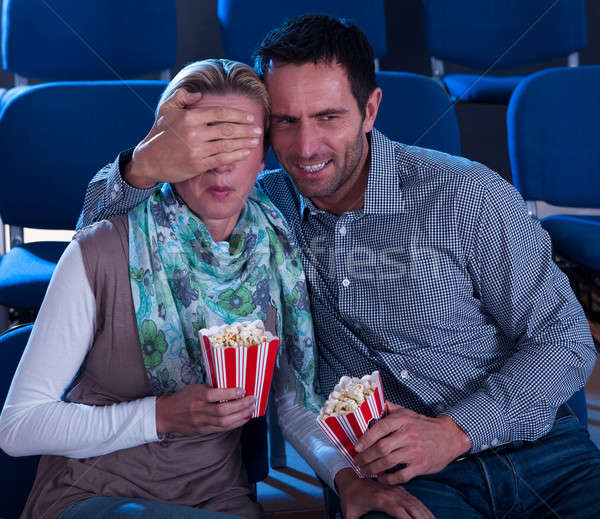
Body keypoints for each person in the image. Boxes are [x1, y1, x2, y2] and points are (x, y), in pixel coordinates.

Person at [76, 15, 600, 519]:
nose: (305, 148)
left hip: (539, 449)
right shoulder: (253, 210)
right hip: (394, 473)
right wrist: (143, 163)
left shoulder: (463, 195)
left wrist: (457, 430)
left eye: (328, 117)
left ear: (370, 110)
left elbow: (567, 338)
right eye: (285, 121)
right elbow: (95, 253)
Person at [0, 59, 341, 519]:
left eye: (238, 144)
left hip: (220, 496)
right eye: (204, 143)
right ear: (171, 150)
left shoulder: (277, 242)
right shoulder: (102, 248)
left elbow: (294, 405)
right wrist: (160, 416)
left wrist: (348, 479)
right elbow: (19, 427)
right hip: (98, 490)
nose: (220, 165)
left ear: (264, 157)